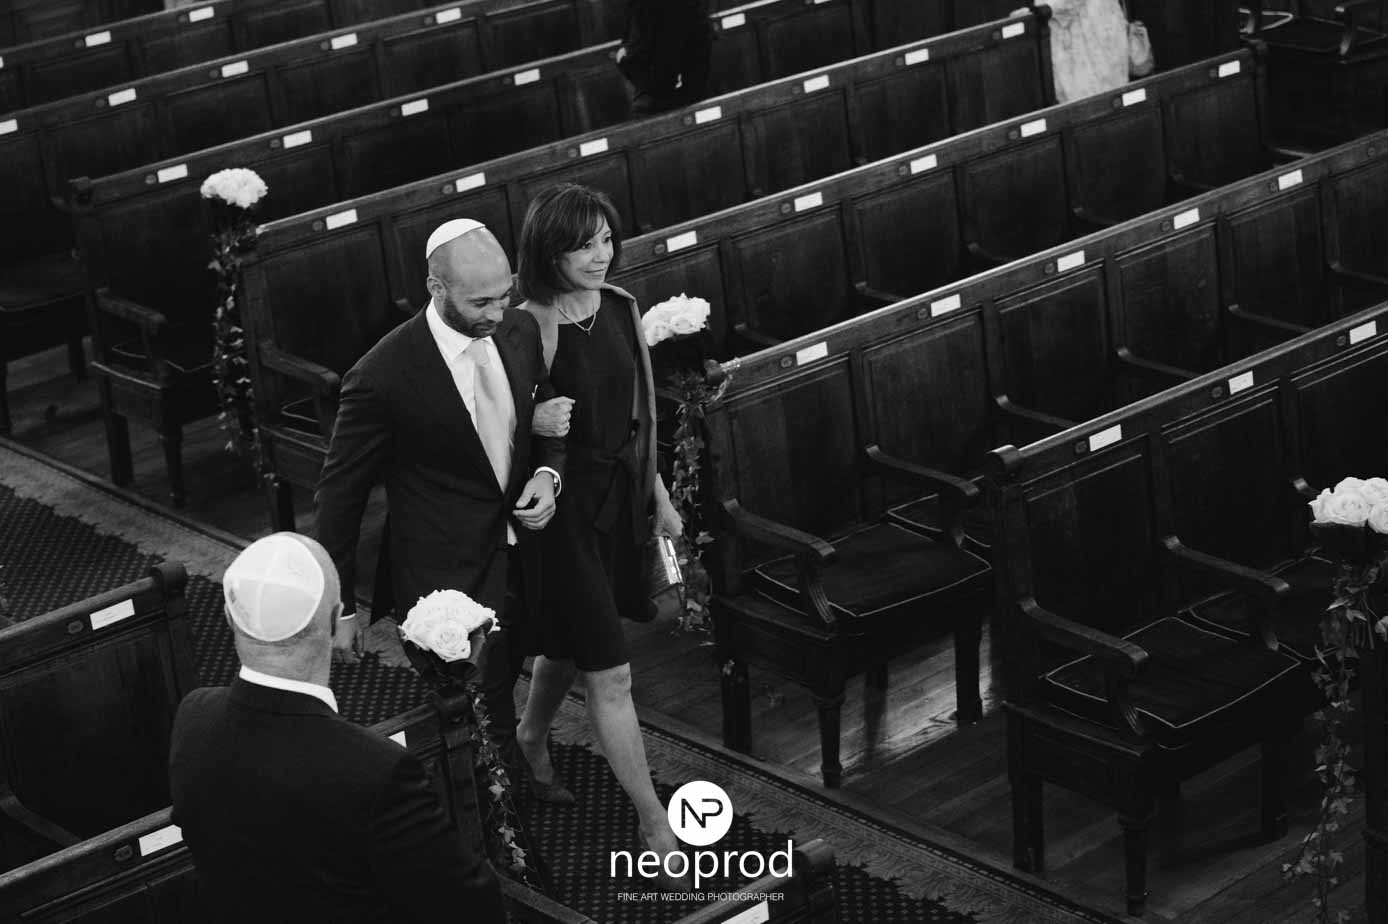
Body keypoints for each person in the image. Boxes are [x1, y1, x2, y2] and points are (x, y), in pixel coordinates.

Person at [315, 219, 568, 772]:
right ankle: (500, 820)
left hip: (527, 554)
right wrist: (341, 608)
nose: (498, 313)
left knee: (522, 678)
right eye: (481, 303)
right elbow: (339, 496)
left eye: (504, 295)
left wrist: (548, 475)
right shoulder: (381, 375)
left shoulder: (519, 329)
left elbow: (545, 408)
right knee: (482, 723)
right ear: (436, 288)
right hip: (447, 579)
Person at [169, 533, 504, 923]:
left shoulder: (194, 715)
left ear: (230, 618)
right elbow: (471, 907)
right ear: (333, 622)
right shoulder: (378, 772)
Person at [509, 184, 689, 881]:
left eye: (606, 239)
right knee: (611, 672)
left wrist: (658, 498)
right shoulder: (526, 324)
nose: (600, 255)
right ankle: (654, 821)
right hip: (560, 514)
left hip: (619, 499)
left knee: (570, 642)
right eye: (583, 245)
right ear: (548, 250)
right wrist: (531, 420)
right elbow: (491, 424)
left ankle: (530, 735)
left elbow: (637, 419)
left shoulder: (620, 307)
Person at [615, 0, 713, 114]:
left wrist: (624, 58)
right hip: (696, 94)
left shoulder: (648, 9)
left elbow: (657, 78)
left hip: (661, 97)